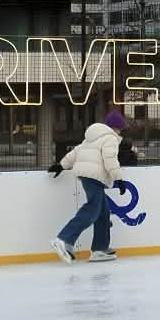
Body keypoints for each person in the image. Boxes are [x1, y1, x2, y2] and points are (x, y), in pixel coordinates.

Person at [51, 109, 125, 263]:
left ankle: (100, 248)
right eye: (120, 128)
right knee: (92, 209)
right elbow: (110, 159)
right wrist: (118, 179)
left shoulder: (92, 137)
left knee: (103, 213)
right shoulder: (110, 138)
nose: (120, 131)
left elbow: (76, 152)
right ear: (115, 127)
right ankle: (64, 239)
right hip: (95, 176)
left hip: (86, 174)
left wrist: (61, 165)